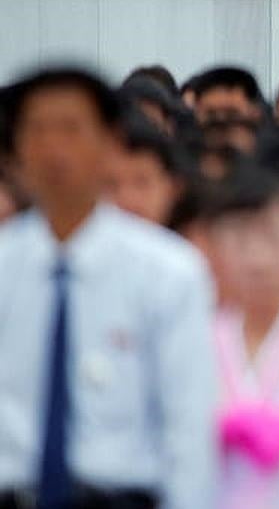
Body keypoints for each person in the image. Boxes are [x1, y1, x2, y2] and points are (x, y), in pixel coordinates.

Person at [0, 68, 217, 508]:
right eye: (38, 131)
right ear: (16, 149)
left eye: (71, 130)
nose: (54, 149)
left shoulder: (169, 271)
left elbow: (188, 434)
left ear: (109, 144)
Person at [204, 165, 279, 509]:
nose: (258, 258)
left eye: (272, 237)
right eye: (241, 239)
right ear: (216, 245)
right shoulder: (194, 345)